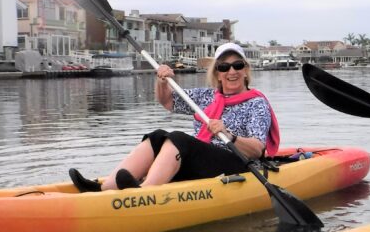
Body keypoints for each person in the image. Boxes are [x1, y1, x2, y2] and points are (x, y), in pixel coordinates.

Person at [69, 43, 280, 191]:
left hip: (236, 162)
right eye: (224, 67)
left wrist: (229, 134)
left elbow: (257, 149)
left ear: (245, 70)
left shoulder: (256, 103)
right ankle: (105, 188)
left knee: (179, 138)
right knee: (157, 136)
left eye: (237, 65)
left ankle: (144, 192)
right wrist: (162, 81)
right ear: (217, 73)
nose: (231, 71)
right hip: (200, 161)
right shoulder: (206, 96)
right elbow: (168, 101)